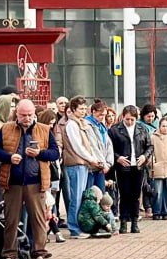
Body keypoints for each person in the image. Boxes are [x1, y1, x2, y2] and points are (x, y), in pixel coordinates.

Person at [0, 98, 58, 259]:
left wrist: (39, 153)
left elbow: (55, 153)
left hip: (36, 182)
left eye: (30, 115)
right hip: (12, 182)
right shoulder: (6, 129)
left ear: (34, 114)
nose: (27, 118)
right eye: (23, 115)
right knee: (11, 220)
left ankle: (40, 254)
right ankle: (9, 256)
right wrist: (9, 157)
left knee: (39, 221)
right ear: (16, 114)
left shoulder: (43, 129)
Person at [61, 96, 101, 236]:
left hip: (83, 163)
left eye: (85, 108)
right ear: (73, 109)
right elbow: (77, 146)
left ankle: (78, 226)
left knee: (80, 196)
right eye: (80, 108)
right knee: (76, 197)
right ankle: (74, 228)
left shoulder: (81, 123)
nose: (83, 111)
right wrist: (91, 159)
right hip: (76, 164)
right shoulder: (72, 124)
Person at [109, 105, 150, 234]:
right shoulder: (115, 130)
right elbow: (109, 149)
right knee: (124, 194)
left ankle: (134, 222)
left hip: (138, 166)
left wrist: (144, 156)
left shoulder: (142, 129)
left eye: (132, 119)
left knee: (136, 195)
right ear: (123, 117)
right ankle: (123, 221)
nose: (130, 122)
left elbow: (149, 146)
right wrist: (118, 158)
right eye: (127, 119)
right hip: (123, 167)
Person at [86, 99, 114, 194]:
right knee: (90, 195)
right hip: (93, 166)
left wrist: (109, 163)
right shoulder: (88, 124)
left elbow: (108, 145)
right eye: (101, 115)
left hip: (102, 167)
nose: (103, 117)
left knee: (101, 194)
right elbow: (93, 146)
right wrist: (103, 163)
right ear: (94, 112)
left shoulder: (102, 126)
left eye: (104, 115)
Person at [136, 105, 159, 215]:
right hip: (144, 157)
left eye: (152, 116)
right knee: (145, 183)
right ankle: (147, 206)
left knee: (153, 183)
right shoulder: (139, 126)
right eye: (148, 116)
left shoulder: (158, 125)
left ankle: (154, 205)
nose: (150, 119)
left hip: (156, 158)